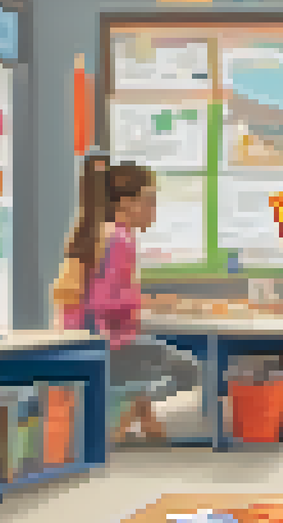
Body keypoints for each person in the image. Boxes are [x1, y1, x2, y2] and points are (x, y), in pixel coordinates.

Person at [55, 150, 200, 443]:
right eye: (149, 200)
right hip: (106, 345)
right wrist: (147, 301)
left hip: (89, 340)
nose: (154, 208)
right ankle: (123, 415)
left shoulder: (102, 233)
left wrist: (140, 300)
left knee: (146, 364)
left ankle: (141, 417)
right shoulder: (118, 239)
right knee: (188, 370)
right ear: (125, 203)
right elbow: (101, 303)